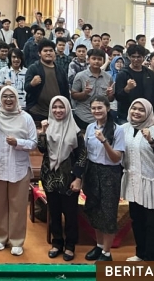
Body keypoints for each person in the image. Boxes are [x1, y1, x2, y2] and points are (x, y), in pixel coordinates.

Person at [0, 85, 37, 257]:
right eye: (4, 96)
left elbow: (33, 143)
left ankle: (17, 240)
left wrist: (18, 143)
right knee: (1, 205)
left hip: (18, 168)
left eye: (11, 96)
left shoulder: (26, 117)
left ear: (16, 98)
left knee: (18, 206)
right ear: (0, 98)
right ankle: (1, 237)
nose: (8, 100)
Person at [120, 99, 154, 262]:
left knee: (153, 225)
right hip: (134, 182)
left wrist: (151, 141)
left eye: (141, 110)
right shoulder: (123, 129)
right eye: (133, 108)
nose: (136, 112)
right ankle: (140, 254)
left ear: (148, 113)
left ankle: (151, 260)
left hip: (153, 185)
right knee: (137, 220)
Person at [38, 96, 86, 261]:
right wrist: (43, 133)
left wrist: (78, 178)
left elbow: (81, 156)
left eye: (61, 107)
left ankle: (70, 245)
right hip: (50, 177)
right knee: (54, 212)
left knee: (71, 213)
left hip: (68, 178)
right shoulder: (48, 127)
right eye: (55, 107)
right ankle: (57, 243)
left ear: (67, 109)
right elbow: (42, 149)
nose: (58, 110)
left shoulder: (76, 130)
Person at [83, 96, 125, 262]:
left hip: (110, 173)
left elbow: (116, 158)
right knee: (94, 210)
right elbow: (86, 152)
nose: (96, 111)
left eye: (100, 107)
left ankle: (107, 253)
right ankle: (99, 246)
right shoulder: (89, 127)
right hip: (92, 171)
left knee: (108, 213)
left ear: (107, 108)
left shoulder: (117, 129)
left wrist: (104, 141)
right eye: (93, 108)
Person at [25, 40, 70, 124]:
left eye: (51, 51)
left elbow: (65, 91)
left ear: (54, 52)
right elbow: (26, 88)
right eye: (45, 51)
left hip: (57, 112)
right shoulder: (33, 68)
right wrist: (32, 84)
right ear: (39, 53)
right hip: (37, 112)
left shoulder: (60, 70)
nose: (48, 53)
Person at [71, 49, 114, 130]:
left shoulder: (108, 77)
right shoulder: (80, 76)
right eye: (94, 59)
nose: (96, 61)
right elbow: (73, 95)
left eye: (99, 59)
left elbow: (111, 99)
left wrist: (110, 95)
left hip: (102, 117)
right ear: (88, 60)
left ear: (103, 61)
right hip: (83, 116)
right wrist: (84, 93)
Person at [114, 45, 154, 119]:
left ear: (143, 57)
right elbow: (118, 97)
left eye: (139, 57)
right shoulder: (122, 74)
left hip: (147, 115)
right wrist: (127, 89)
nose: (136, 59)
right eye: (133, 57)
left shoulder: (150, 74)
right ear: (129, 57)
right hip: (126, 115)